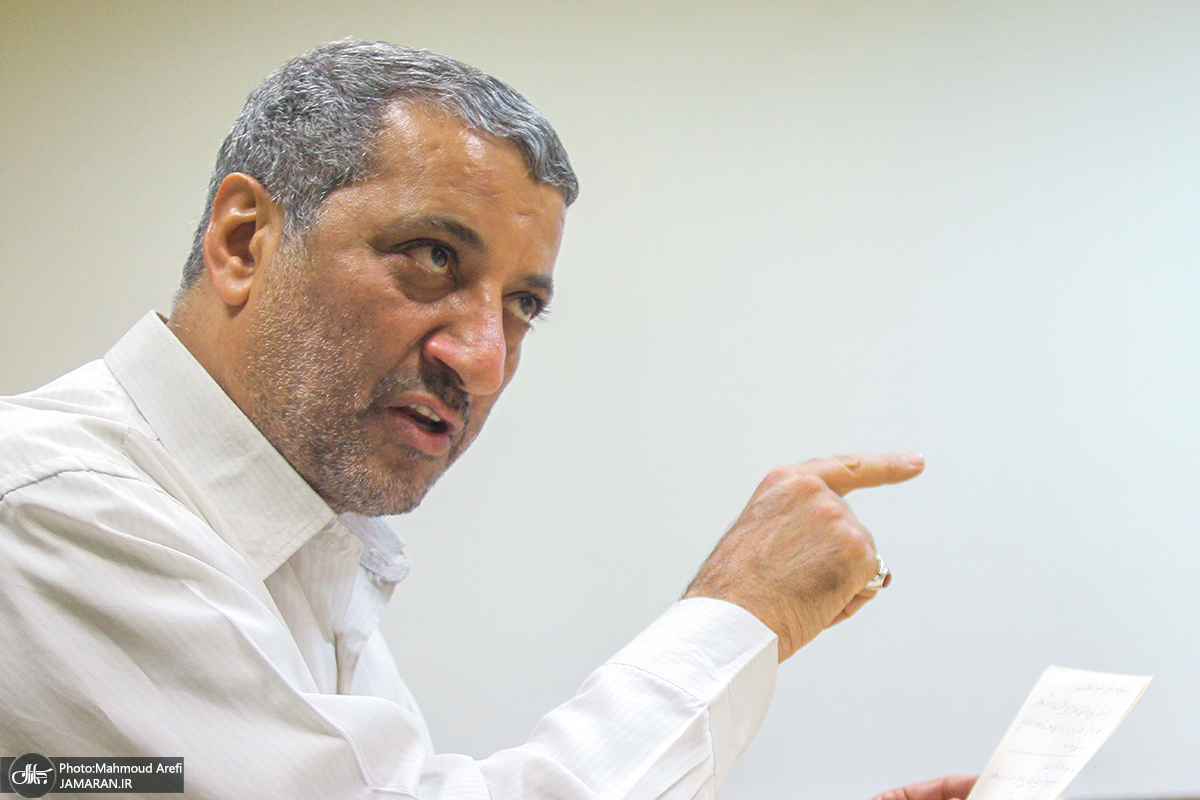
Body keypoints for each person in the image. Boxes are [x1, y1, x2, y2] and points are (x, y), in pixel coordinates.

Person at [0, 39, 974, 799]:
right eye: (432, 257)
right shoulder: (48, 512)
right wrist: (738, 615)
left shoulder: (299, 541)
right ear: (246, 240)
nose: (484, 358)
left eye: (522, 305)